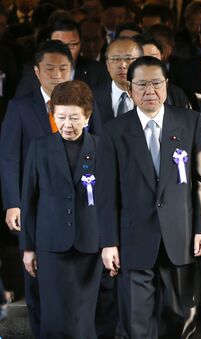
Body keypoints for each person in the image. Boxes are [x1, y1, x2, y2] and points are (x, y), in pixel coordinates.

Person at [97, 56, 201, 338]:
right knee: (137, 323)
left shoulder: (191, 121)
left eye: (156, 83)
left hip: (180, 235)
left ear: (167, 84)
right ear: (129, 88)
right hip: (133, 239)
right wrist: (109, 242)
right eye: (142, 85)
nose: (150, 91)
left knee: (179, 319)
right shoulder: (114, 130)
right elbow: (106, 192)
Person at [0, 40, 101, 338]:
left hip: (85, 222)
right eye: (50, 68)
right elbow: (8, 157)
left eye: (63, 68)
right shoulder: (20, 107)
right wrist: (13, 202)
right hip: (44, 216)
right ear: (36, 71)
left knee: (83, 309)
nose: (57, 74)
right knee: (44, 296)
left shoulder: (85, 106)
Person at [20, 80, 103, 338]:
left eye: (75, 118)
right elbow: (29, 201)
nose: (68, 124)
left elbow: (111, 201)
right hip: (51, 244)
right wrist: (28, 247)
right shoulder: (40, 148)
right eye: (61, 117)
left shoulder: (101, 148)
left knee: (84, 319)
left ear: (87, 116)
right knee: (54, 316)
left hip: (90, 244)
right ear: (53, 114)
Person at [15, 18, 110, 96]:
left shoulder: (98, 71)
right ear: (49, 43)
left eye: (72, 45)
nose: (66, 51)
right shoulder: (32, 71)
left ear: (80, 44)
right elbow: (20, 107)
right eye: (59, 44)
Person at [93, 37, 142, 124]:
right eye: (115, 59)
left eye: (128, 59)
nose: (122, 65)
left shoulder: (151, 96)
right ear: (107, 65)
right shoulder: (93, 97)